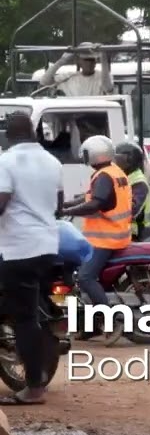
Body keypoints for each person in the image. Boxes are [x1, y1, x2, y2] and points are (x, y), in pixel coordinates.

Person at [0, 112, 63, 405]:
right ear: (34, 132)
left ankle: (34, 387)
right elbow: (59, 205)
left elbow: (1, 203)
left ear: (8, 134)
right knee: (29, 314)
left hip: (18, 248)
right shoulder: (52, 161)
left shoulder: (6, 160)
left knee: (23, 318)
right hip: (49, 245)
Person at [60, 135, 132, 313]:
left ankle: (109, 320)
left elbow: (95, 203)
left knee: (85, 277)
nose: (83, 157)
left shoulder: (104, 176)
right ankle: (90, 326)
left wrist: (66, 212)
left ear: (95, 154)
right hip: (119, 234)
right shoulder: (113, 171)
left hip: (105, 240)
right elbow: (88, 197)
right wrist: (64, 205)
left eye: (85, 154)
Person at [39, 42, 112, 97]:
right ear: (79, 61)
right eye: (86, 60)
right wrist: (62, 61)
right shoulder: (69, 77)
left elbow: (107, 88)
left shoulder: (102, 76)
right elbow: (44, 81)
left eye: (92, 60)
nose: (89, 63)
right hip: (73, 114)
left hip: (96, 114)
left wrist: (103, 56)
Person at [114, 141, 150, 239]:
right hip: (122, 231)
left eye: (117, 157)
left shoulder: (139, 183)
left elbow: (131, 211)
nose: (114, 161)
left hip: (135, 234)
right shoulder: (123, 178)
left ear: (129, 159)